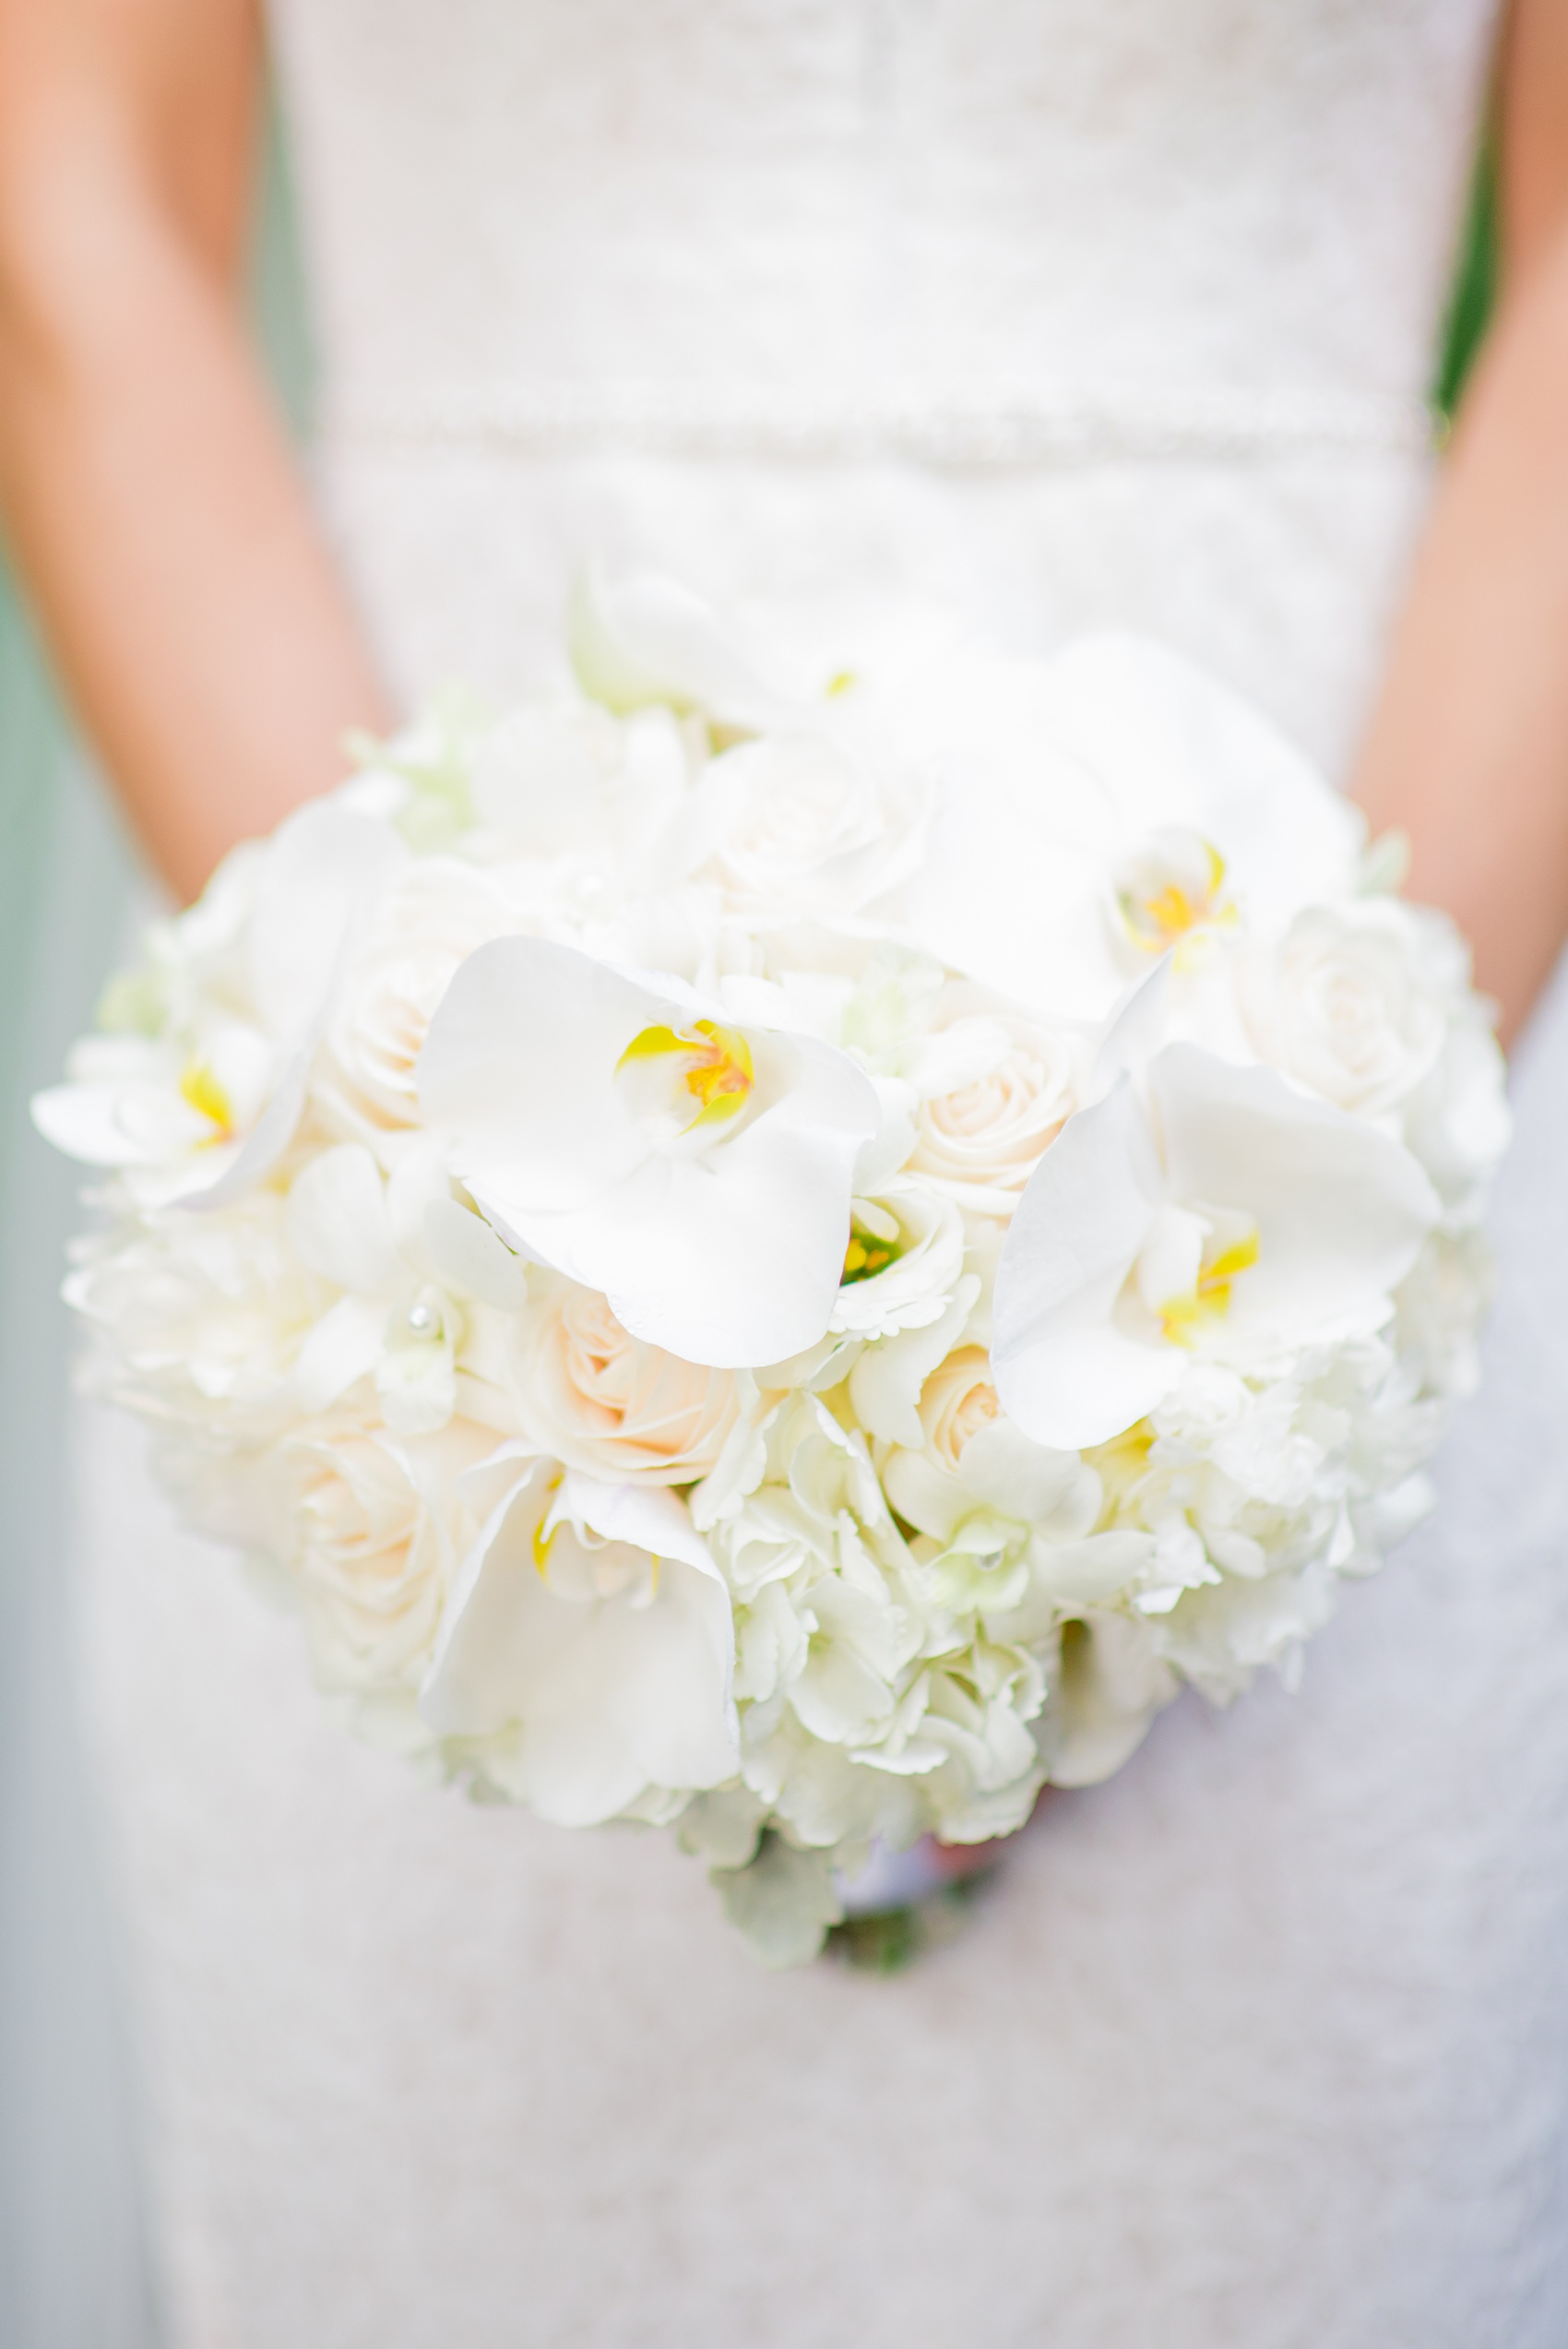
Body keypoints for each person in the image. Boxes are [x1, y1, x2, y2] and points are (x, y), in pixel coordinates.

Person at [3, 2, 1568, 2342]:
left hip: (1342, 949)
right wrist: (444, 1166)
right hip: (407, 1074)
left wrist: (1297, 1185)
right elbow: (70, 216)